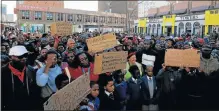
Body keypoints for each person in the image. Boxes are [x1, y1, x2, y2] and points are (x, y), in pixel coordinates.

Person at [2, 46, 41, 110]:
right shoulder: (3, 72)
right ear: (11, 57)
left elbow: (36, 92)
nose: (24, 58)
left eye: (25, 55)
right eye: (20, 56)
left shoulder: (31, 70)